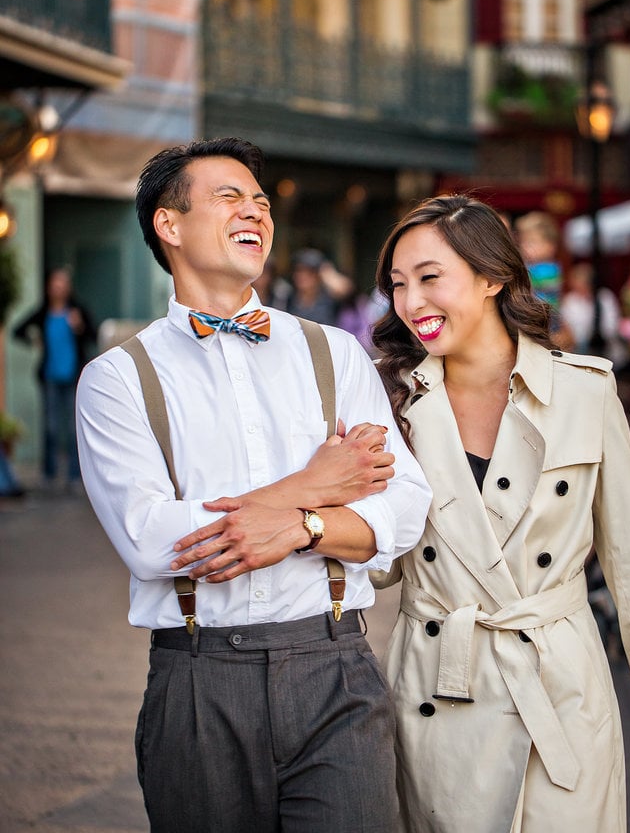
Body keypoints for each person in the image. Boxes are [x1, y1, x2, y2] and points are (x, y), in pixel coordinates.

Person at [76, 136, 432, 833]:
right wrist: (316, 482)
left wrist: (305, 526)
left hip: (335, 669)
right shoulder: (117, 380)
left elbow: (404, 504)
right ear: (168, 225)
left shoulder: (334, 353)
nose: (255, 212)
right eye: (229, 197)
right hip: (198, 683)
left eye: (261, 201)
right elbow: (153, 541)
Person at [370, 193, 630, 833]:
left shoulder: (584, 392)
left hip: (560, 691)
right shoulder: (388, 400)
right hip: (438, 687)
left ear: (492, 277)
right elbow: (375, 569)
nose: (411, 303)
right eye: (398, 285)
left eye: (431, 278)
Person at [13, 266, 96, 488]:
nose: (58, 289)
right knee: (50, 427)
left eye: (62, 284)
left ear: (68, 288)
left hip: (72, 377)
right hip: (50, 376)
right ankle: (49, 474)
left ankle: (74, 476)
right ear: (49, 288)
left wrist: (79, 327)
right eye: (55, 284)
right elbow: (17, 330)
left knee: (72, 428)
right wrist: (34, 339)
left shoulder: (76, 311)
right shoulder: (43, 313)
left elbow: (93, 334)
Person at [515, 211, 572, 349]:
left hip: (546, 324)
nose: (525, 247)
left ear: (550, 247)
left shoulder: (549, 269)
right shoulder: (536, 267)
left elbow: (524, 282)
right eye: (524, 242)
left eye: (532, 243)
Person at [560, 262, 627, 366]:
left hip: (607, 348)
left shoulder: (605, 297)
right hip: (580, 350)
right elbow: (568, 328)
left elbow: (612, 327)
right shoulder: (570, 301)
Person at [285, 247, 353, 325]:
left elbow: (347, 290)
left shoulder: (329, 297)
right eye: (298, 270)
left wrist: (327, 272)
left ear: (319, 274)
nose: (302, 276)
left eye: (309, 271)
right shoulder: (288, 298)